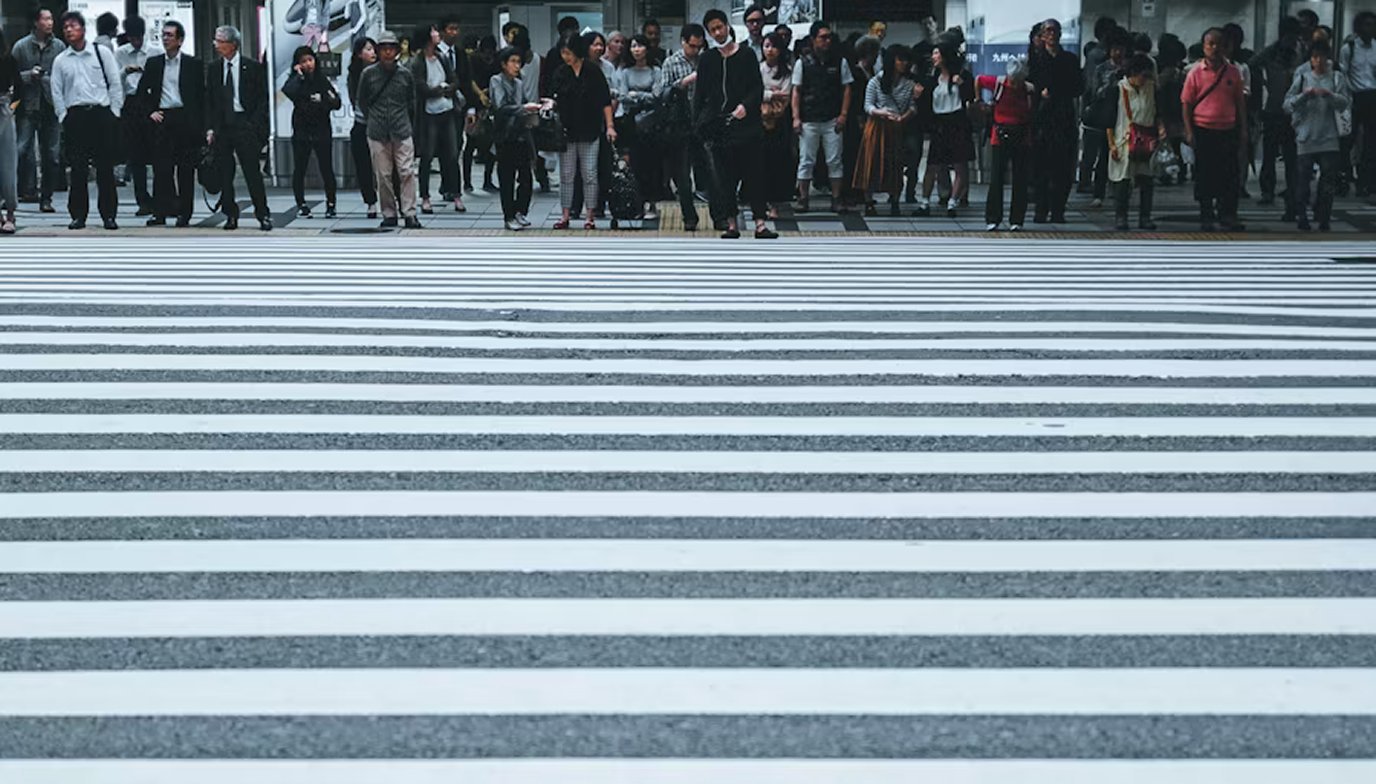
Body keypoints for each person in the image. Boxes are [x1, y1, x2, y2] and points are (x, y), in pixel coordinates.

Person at [695, 9, 776, 240]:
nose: (718, 33)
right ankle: (731, 223)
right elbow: (700, 94)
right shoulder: (708, 59)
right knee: (725, 178)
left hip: (747, 125)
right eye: (713, 30)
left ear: (728, 26)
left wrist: (746, 106)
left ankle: (760, 222)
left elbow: (756, 88)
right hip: (720, 127)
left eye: (720, 27)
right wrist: (699, 124)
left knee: (755, 174)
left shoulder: (747, 54)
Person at [51, 11, 122, 230]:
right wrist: (63, 116)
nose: (69, 30)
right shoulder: (61, 60)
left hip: (101, 114)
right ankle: (78, 216)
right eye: (65, 28)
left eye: (73, 26)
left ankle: (108, 215)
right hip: (76, 116)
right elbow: (57, 91)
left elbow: (115, 83)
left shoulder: (101, 54)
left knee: (105, 169)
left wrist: (115, 112)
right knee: (78, 169)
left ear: (83, 28)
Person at [134, 19, 204, 227]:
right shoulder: (154, 63)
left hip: (185, 118)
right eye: (163, 35)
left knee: (185, 169)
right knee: (161, 169)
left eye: (170, 35)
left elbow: (201, 97)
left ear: (180, 40)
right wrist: (150, 112)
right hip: (163, 118)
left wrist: (201, 126)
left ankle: (184, 213)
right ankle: (160, 212)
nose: (165, 39)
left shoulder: (193, 64)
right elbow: (141, 92)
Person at [1182, 27, 1248, 232]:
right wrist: (1189, 131)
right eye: (1210, 44)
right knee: (1205, 174)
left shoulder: (1233, 72)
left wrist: (1243, 128)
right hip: (1203, 130)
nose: (1215, 48)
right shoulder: (1195, 73)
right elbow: (1186, 103)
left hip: (1228, 130)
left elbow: (1239, 102)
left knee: (1230, 174)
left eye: (1219, 43)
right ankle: (1206, 214)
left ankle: (1228, 214)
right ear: (1204, 47)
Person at [206, 25, 271, 231]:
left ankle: (262, 213)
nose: (216, 45)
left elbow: (262, 99)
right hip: (223, 126)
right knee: (225, 173)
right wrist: (210, 128)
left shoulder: (251, 67)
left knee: (252, 172)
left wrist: (254, 125)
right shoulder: (214, 68)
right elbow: (210, 101)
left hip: (245, 123)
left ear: (232, 44)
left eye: (220, 41)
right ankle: (230, 214)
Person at [549, 31, 614, 230]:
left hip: (590, 129)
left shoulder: (593, 71)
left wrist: (610, 126)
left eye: (568, 52)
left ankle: (590, 215)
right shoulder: (561, 72)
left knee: (589, 174)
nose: (565, 57)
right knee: (567, 175)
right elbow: (555, 98)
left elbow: (605, 101)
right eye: (563, 53)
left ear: (577, 51)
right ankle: (565, 214)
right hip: (567, 131)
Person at [357, 30, 420, 229]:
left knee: (406, 171)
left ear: (396, 51)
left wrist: (409, 124)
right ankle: (389, 213)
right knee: (383, 175)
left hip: (402, 128)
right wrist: (372, 119)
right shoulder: (368, 74)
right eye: (383, 49)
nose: (387, 53)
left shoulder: (405, 74)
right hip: (377, 130)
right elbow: (362, 101)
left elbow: (412, 102)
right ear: (378, 50)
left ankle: (410, 212)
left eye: (391, 48)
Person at [1286, 39, 1351, 231]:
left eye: (1323, 57)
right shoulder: (1303, 78)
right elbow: (1288, 104)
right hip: (1306, 135)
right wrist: (1305, 95)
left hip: (1329, 136)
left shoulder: (1337, 78)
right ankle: (1302, 216)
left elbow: (1345, 102)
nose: (1319, 61)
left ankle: (1324, 216)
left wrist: (1329, 95)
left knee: (1328, 180)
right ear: (1311, 60)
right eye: (1315, 57)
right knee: (1303, 179)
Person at [791, 19, 852, 213]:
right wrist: (796, 117)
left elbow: (847, 89)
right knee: (806, 160)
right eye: (822, 38)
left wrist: (843, 114)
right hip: (809, 118)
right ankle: (803, 198)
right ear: (813, 39)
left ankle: (836, 198)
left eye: (829, 37)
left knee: (834, 160)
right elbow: (796, 91)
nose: (827, 41)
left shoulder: (840, 61)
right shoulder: (803, 62)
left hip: (832, 118)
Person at [853, 44, 916, 217]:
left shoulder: (909, 84)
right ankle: (868, 201)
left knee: (895, 164)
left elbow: (912, 106)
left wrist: (904, 117)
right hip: (877, 125)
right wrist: (880, 112)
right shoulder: (876, 81)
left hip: (896, 126)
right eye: (900, 59)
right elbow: (867, 105)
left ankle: (894, 199)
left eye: (906, 60)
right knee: (871, 163)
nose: (904, 63)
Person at [1029, 18, 1081, 223]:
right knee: (1040, 167)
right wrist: (1038, 93)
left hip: (1063, 116)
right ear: (1041, 35)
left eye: (1055, 31)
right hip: (1041, 118)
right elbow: (1027, 85)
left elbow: (1079, 86)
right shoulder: (1035, 60)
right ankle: (1040, 209)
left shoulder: (1069, 59)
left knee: (1062, 167)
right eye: (1047, 31)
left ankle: (1058, 209)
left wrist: (1059, 91)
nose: (1051, 35)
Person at [655, 23, 706, 231]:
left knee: (712, 172)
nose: (695, 51)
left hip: (704, 119)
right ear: (683, 42)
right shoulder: (671, 62)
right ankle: (689, 217)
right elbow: (664, 92)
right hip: (680, 123)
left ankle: (720, 215)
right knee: (683, 175)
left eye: (699, 46)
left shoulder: (706, 59)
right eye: (692, 46)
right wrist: (685, 81)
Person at [13, 9, 64, 213]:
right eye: (45, 19)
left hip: (51, 106)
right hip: (28, 106)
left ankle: (47, 197)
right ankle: (18, 191)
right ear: (36, 22)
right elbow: (11, 76)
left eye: (51, 18)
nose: (50, 22)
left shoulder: (58, 46)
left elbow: (63, 76)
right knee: (21, 150)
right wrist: (28, 75)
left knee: (51, 155)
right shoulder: (21, 46)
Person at [1251, 17, 1303, 217]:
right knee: (1271, 154)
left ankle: (1291, 191)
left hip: (1294, 110)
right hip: (1273, 108)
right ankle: (1268, 190)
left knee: (1291, 156)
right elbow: (1253, 64)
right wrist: (1264, 86)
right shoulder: (1272, 52)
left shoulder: (1301, 51)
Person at [1107, 54, 1165, 231]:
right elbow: (1109, 120)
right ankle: (1121, 217)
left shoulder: (1152, 89)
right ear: (1132, 73)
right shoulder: (1117, 89)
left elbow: (1157, 113)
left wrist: (1161, 128)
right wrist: (1112, 145)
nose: (1145, 79)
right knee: (1123, 180)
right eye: (1142, 75)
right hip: (1123, 139)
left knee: (1146, 179)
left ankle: (1145, 217)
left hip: (1147, 139)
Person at [917, 40, 973, 218]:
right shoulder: (931, 79)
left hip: (957, 122)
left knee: (959, 165)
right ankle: (925, 201)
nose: (933, 57)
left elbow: (970, 97)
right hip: (939, 123)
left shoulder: (962, 76)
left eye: (936, 53)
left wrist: (962, 85)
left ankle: (953, 202)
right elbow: (925, 103)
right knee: (932, 165)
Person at [283, 46, 340, 219]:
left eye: (310, 60)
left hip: (321, 129)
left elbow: (335, 102)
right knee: (300, 167)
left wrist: (320, 100)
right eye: (303, 62)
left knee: (326, 168)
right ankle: (301, 204)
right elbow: (290, 92)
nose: (308, 64)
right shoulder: (295, 80)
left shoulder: (321, 80)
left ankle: (331, 204)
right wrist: (299, 77)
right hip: (302, 130)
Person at [979, 57, 1035, 231]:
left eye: (1018, 80)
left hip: (1022, 135)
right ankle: (993, 217)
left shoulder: (1028, 89)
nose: (1015, 83)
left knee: (1020, 179)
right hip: (1000, 134)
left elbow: (1032, 111)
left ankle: (1016, 219)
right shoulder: (999, 83)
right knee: (996, 178)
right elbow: (978, 80)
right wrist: (979, 101)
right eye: (1013, 79)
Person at [410, 24, 460, 216]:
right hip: (428, 114)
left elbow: (455, 80)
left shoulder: (442, 57)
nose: (437, 34)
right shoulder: (418, 62)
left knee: (453, 154)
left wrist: (446, 89)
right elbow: (421, 88)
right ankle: (425, 197)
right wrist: (441, 89)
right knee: (427, 156)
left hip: (447, 111)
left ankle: (456, 193)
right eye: (433, 32)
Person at [489, 45, 540, 231]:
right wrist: (523, 109)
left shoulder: (519, 83)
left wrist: (532, 108)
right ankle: (508, 215)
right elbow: (500, 106)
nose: (516, 66)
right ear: (503, 64)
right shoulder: (496, 81)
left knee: (526, 176)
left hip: (521, 134)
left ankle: (520, 211)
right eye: (512, 62)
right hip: (504, 136)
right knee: (507, 178)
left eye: (518, 62)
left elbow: (525, 101)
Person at [1082, 28, 1130, 208]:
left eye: (1121, 49)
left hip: (1126, 117)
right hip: (1106, 116)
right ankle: (1099, 193)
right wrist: (1112, 81)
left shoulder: (1130, 67)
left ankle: (1121, 191)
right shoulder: (1102, 69)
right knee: (1104, 155)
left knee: (1125, 155)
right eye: (1115, 49)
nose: (1118, 53)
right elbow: (1095, 93)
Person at [617, 34, 662, 220]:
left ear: (647, 49)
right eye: (633, 46)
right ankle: (638, 203)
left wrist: (637, 95)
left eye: (640, 46)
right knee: (635, 164)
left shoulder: (656, 70)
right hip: (631, 124)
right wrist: (643, 96)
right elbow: (622, 97)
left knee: (653, 164)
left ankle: (652, 202)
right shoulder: (626, 72)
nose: (636, 49)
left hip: (652, 124)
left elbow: (657, 96)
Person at [437, 16, 479, 204]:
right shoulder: (434, 53)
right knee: (443, 148)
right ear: (442, 31)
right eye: (451, 29)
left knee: (454, 147)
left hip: (457, 107)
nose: (454, 32)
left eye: (456, 29)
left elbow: (467, 82)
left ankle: (452, 187)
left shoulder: (461, 54)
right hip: (437, 107)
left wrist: (471, 108)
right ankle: (448, 185)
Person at [114, 16, 151, 216]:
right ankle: (142, 200)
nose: (135, 42)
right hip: (129, 103)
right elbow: (113, 80)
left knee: (158, 152)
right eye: (132, 38)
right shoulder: (120, 53)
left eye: (138, 38)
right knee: (136, 155)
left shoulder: (154, 51)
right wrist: (124, 72)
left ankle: (165, 199)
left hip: (149, 102)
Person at [1339, 12, 1376, 201]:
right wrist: (1348, 94)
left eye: (1373, 25)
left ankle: (1366, 183)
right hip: (1355, 97)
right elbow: (1343, 73)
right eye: (1367, 25)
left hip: (1372, 95)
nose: (1370, 29)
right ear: (1359, 27)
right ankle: (1343, 177)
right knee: (1347, 140)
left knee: (1371, 144)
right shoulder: (1349, 48)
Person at [759, 31, 794, 219]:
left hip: (780, 122)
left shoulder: (787, 71)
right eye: (766, 46)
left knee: (777, 163)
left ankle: (775, 204)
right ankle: (761, 202)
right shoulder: (758, 68)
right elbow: (755, 92)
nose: (770, 50)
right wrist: (771, 94)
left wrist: (770, 94)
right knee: (761, 163)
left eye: (773, 46)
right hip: (760, 122)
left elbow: (786, 94)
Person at [844, 36, 880, 210]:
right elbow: (856, 98)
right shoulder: (856, 73)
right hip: (856, 119)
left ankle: (860, 190)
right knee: (853, 156)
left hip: (866, 119)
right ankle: (851, 192)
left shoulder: (870, 72)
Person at [347, 36, 379, 219]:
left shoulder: (382, 71)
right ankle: (371, 202)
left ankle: (392, 201)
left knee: (385, 167)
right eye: (368, 49)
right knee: (363, 166)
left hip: (381, 125)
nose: (372, 52)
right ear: (359, 54)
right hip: (361, 123)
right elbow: (354, 100)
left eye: (373, 49)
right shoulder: (354, 74)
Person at [1156, 33, 1189, 185]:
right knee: (1174, 142)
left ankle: (1167, 171)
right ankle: (1176, 170)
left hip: (1165, 108)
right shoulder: (1177, 69)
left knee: (1167, 142)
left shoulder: (1158, 65)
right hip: (1175, 108)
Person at [0, 26, 21, 234]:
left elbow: (19, 89)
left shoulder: (8, 59)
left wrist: (11, 109)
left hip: (3, 110)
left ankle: (11, 213)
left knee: (7, 163)